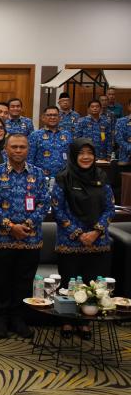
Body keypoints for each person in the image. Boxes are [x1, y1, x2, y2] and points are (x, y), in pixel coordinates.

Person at [0, 133, 49, 339]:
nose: (18, 150)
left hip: (30, 238)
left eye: (22, 147)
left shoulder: (38, 174)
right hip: (2, 239)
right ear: (6, 149)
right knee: (0, 281)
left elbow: (44, 203)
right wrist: (11, 227)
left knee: (24, 281)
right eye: (14, 147)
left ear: (28, 149)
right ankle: (1, 319)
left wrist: (27, 225)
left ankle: (18, 318)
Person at [52, 138, 115, 339]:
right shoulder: (63, 178)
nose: (86, 157)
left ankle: (85, 322)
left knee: (93, 283)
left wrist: (95, 232)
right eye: (81, 153)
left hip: (98, 241)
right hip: (69, 241)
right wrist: (79, 234)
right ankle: (67, 321)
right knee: (69, 282)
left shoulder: (102, 176)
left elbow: (109, 208)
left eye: (90, 153)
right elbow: (58, 210)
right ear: (73, 155)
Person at [28, 106, 72, 178]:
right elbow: (30, 159)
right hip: (41, 177)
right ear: (43, 118)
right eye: (49, 115)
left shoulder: (67, 135)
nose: (52, 117)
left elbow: (71, 157)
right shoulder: (35, 135)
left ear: (59, 118)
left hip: (63, 177)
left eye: (55, 115)